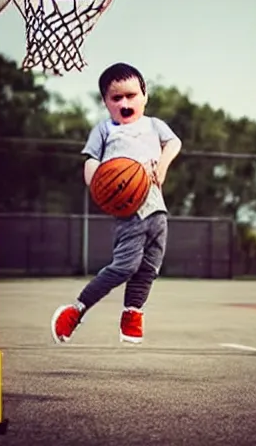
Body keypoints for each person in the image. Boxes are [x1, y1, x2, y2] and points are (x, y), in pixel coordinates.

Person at [50, 62, 182, 344]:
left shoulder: (153, 125)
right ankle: (76, 310)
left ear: (144, 95)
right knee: (125, 266)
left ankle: (132, 313)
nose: (124, 103)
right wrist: (98, 185)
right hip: (129, 212)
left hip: (157, 210)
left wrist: (161, 167)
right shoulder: (105, 130)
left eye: (131, 95)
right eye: (116, 98)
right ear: (105, 102)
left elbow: (174, 144)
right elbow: (91, 163)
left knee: (149, 268)